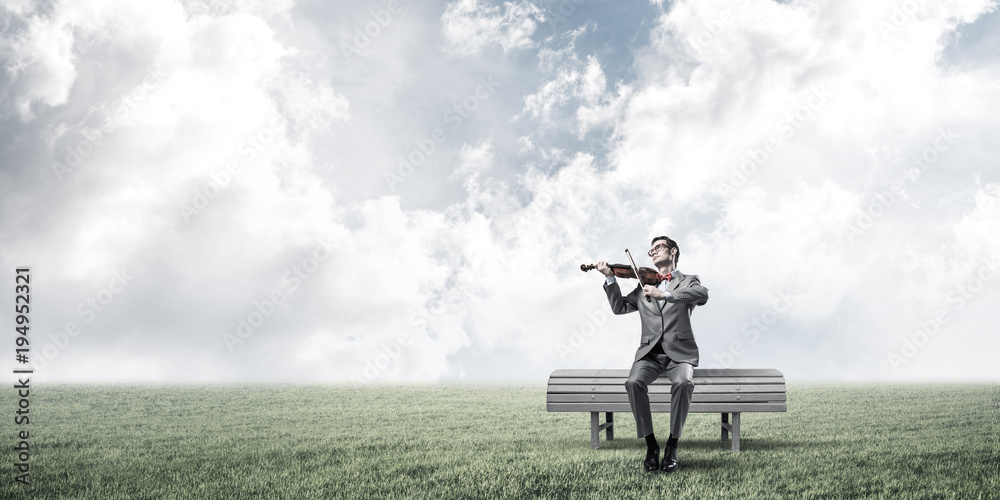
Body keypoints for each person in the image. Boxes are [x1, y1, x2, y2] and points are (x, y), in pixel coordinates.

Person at [595, 235, 708, 473]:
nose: (653, 252)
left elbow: (702, 295)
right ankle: (651, 445)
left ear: (673, 251)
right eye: (651, 250)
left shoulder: (688, 280)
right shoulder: (642, 285)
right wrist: (610, 278)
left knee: (683, 383)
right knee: (633, 382)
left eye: (658, 247)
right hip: (650, 353)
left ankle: (673, 445)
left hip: (680, 352)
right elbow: (619, 308)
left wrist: (665, 295)